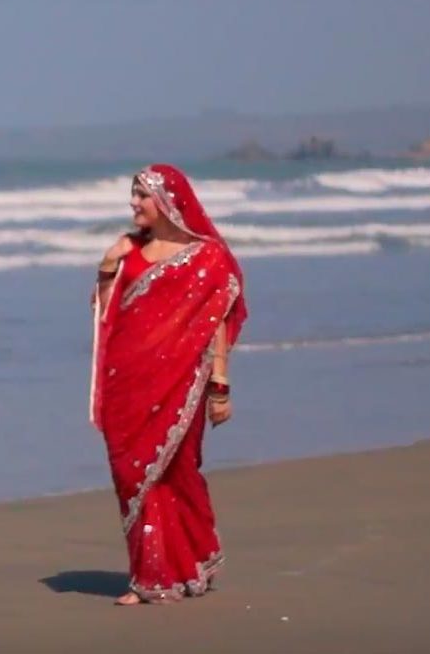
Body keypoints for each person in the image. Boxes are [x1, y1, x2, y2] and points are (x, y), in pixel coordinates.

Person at [89, 163, 248, 605]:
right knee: (129, 473)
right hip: (127, 382)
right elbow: (104, 316)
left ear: (168, 202)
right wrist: (106, 267)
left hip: (181, 383)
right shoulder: (128, 252)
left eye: (142, 195)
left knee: (176, 471)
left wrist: (220, 384)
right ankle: (154, 569)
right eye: (133, 194)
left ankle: (169, 571)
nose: (133, 203)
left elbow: (215, 321)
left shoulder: (207, 256)